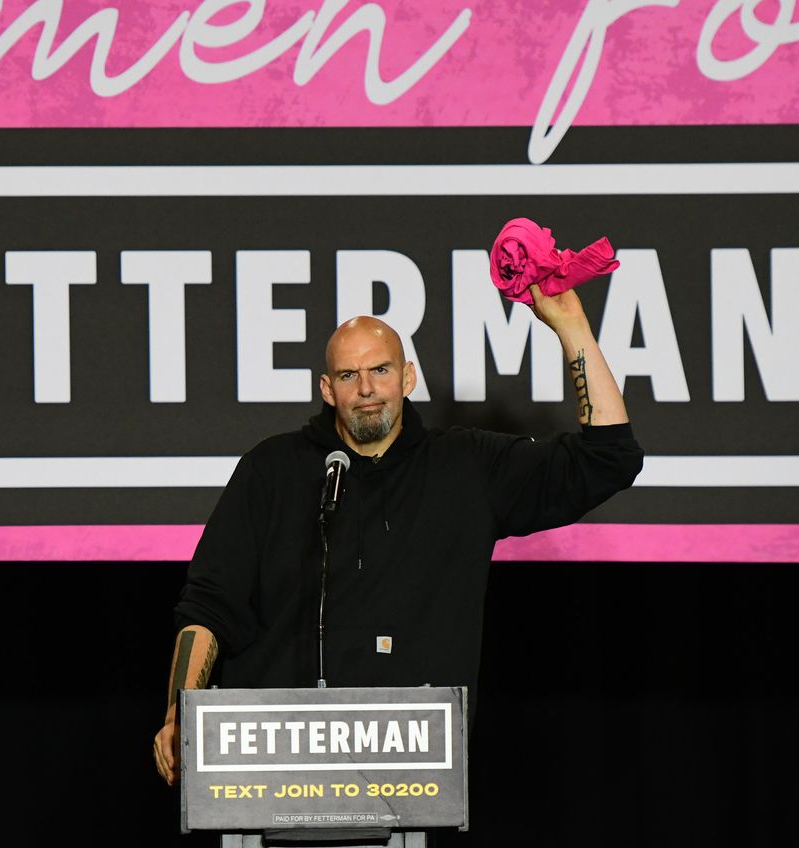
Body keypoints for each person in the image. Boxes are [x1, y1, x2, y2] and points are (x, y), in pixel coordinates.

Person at [154, 280, 642, 783]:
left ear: (408, 377)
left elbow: (608, 460)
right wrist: (178, 715)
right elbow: (208, 607)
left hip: (411, 778)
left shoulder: (466, 467)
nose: (366, 389)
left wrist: (572, 327)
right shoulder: (271, 470)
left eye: (380, 370)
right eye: (349, 375)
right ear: (327, 389)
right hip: (269, 773)